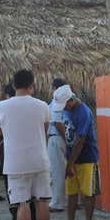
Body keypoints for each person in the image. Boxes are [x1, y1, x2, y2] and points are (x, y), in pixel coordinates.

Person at [0, 69, 52, 220]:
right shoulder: (42, 105)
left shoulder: (2, 106)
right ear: (32, 85)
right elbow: (45, 130)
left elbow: (0, 131)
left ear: (13, 85)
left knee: (22, 204)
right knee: (42, 200)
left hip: (16, 162)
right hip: (40, 158)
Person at [54, 85, 100, 220]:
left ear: (72, 100)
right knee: (71, 193)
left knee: (88, 193)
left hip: (86, 157)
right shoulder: (67, 110)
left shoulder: (84, 113)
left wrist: (70, 164)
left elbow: (80, 140)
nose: (64, 108)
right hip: (71, 158)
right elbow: (63, 127)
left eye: (66, 104)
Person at [0, 83, 40, 220]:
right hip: (34, 159)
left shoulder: (5, 108)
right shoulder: (35, 107)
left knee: (17, 201)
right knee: (35, 198)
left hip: (14, 161)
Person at [47, 78, 68, 212]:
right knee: (65, 170)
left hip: (57, 138)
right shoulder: (67, 99)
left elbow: (56, 122)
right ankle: (70, 200)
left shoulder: (56, 101)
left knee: (57, 171)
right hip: (65, 138)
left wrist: (66, 138)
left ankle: (57, 203)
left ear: (54, 88)